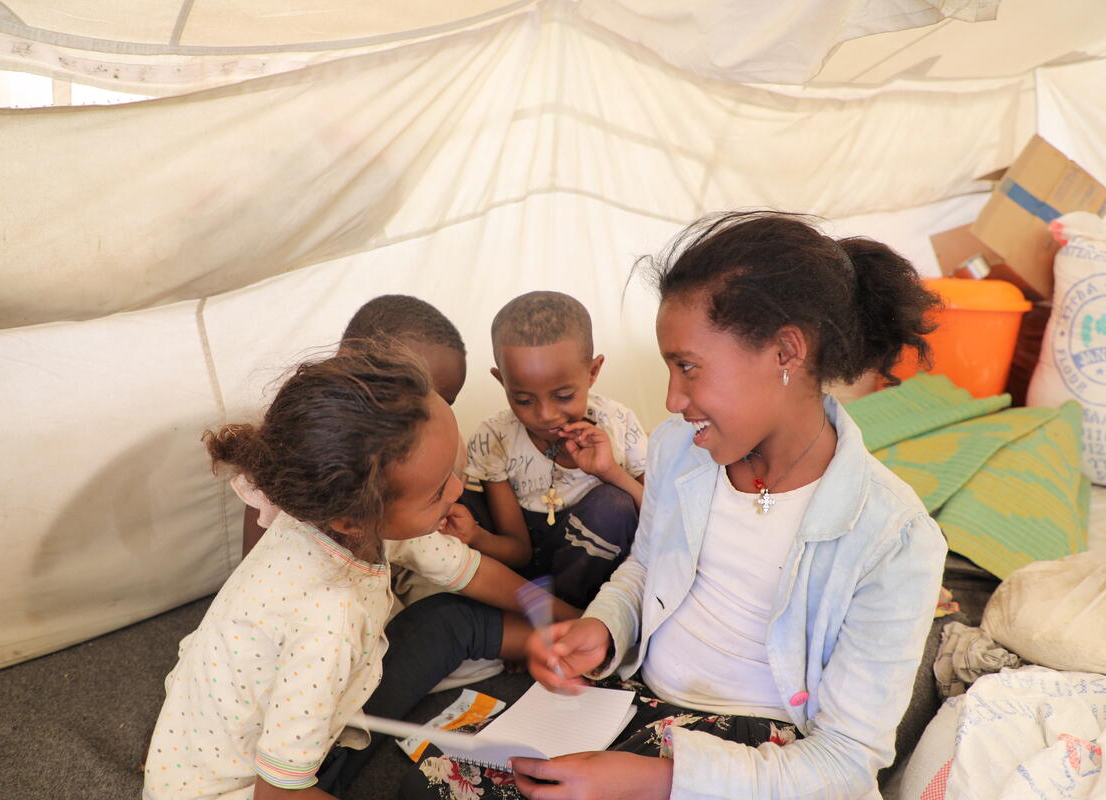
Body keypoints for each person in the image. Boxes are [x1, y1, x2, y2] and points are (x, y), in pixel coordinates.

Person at [401, 212, 948, 800]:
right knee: (432, 777)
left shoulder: (893, 537)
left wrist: (657, 781)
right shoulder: (679, 451)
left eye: (687, 367)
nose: (671, 398)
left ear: (786, 352)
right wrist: (604, 629)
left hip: (760, 760)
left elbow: (844, 763)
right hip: (637, 708)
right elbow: (643, 568)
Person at [143, 343, 572, 800]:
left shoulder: (348, 508)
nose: (457, 490)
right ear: (353, 520)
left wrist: (582, 621)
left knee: (450, 618)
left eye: (454, 467)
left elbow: (468, 570)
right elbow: (280, 793)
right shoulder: (330, 621)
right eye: (437, 491)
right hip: (253, 790)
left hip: (296, 724)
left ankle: (552, 645)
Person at [240, 294, 468, 558]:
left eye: (446, 401)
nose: (425, 411)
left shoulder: (444, 440)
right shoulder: (295, 454)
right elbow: (258, 564)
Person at [459, 291, 648, 608]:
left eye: (563, 396)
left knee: (614, 505)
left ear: (593, 371)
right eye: (523, 400)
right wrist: (475, 537)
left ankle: (568, 619)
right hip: (526, 572)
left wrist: (609, 472)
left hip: (594, 573)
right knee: (461, 494)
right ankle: (540, 619)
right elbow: (518, 551)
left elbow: (659, 518)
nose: (545, 415)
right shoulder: (495, 437)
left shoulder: (617, 423)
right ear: (501, 380)